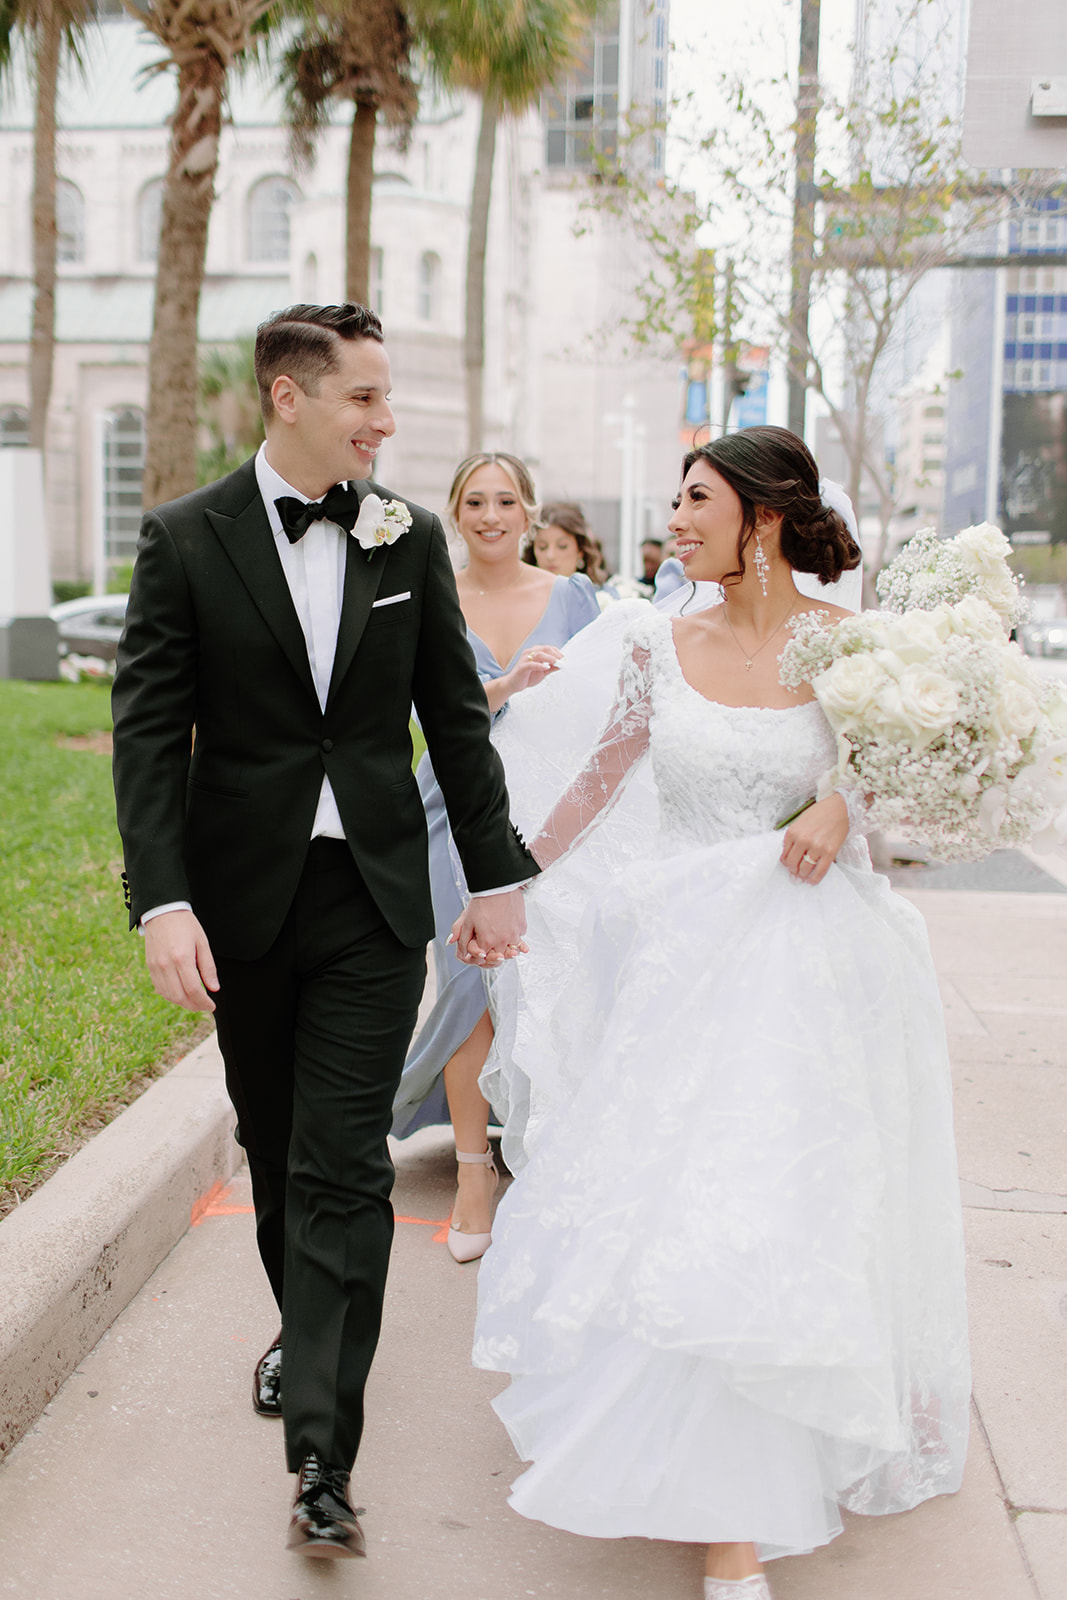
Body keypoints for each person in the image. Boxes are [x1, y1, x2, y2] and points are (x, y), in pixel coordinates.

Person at [472, 426, 970, 1597]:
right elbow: (598, 778)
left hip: (810, 967)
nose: (674, 521)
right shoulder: (657, 641)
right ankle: (711, 1491)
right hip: (679, 963)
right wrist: (509, 882)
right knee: (680, 1203)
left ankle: (757, 1486)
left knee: (782, 1198)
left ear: (761, 515)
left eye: (694, 501)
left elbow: (897, 770)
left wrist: (840, 804)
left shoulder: (857, 649)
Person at [111, 303, 537, 1560]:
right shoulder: (186, 539)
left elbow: (454, 721)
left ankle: (320, 1457)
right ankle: (304, 1330)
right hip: (239, 903)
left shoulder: (403, 535)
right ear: (288, 397)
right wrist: (162, 899)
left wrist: (497, 875)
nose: (385, 421)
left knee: (346, 1164)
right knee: (281, 1143)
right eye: (363, 397)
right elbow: (146, 735)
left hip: (367, 900)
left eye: (387, 398)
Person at [391, 454, 599, 1262]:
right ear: (453, 512)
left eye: (504, 500)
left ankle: (548, 1155)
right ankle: (473, 1175)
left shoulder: (572, 597)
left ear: (529, 513)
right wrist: (505, 686)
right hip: (450, 802)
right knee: (471, 978)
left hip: (550, 810)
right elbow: (420, 707)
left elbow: (605, 705)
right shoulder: (427, 596)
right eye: (473, 501)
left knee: (550, 975)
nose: (489, 514)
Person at [524, 501, 611, 588]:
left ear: (580, 550)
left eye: (562, 546)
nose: (550, 556)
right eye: (542, 547)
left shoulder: (604, 597)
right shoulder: (519, 596)